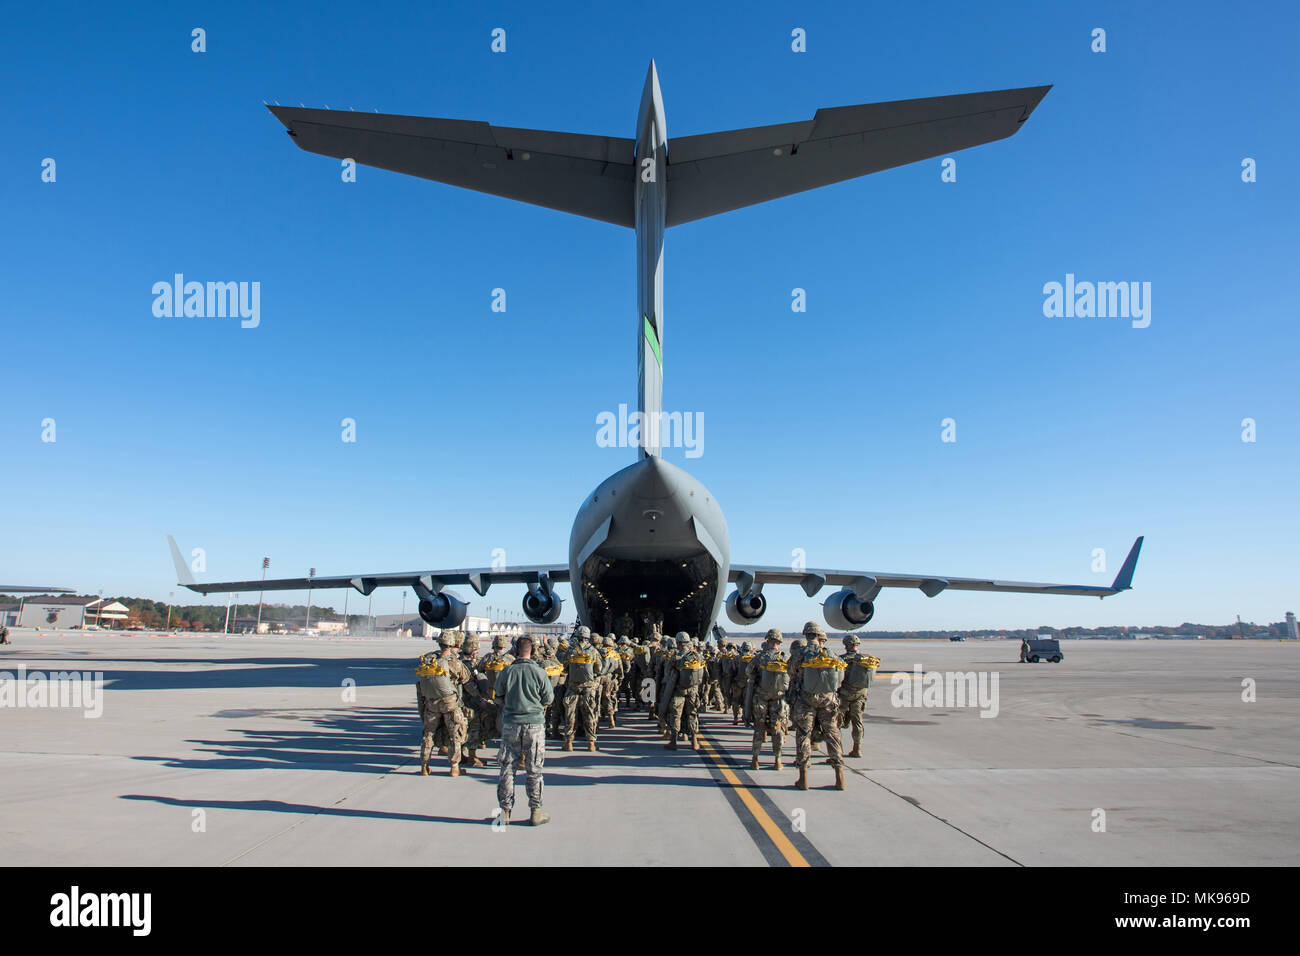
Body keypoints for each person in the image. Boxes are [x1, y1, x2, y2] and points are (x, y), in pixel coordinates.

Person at [495, 635, 555, 826]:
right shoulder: (539, 672)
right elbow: (549, 699)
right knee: (534, 770)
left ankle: (504, 812)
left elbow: (498, 696)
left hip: (511, 724)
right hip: (534, 725)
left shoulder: (507, 671)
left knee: (507, 769)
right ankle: (536, 812)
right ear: (533, 650)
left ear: (515, 650)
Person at [791, 622, 846, 791]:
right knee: (833, 734)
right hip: (828, 700)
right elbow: (840, 677)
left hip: (806, 699)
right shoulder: (830, 653)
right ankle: (839, 777)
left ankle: (804, 778)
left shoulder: (801, 653)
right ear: (820, 635)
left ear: (806, 635)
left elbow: (791, 672)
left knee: (803, 735)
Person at [415, 630, 475, 777]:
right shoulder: (455, 662)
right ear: (453, 644)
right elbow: (467, 682)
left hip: (431, 703)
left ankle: (424, 766)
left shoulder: (428, 659)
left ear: (440, 643)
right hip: (450, 704)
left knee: (428, 734)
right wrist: (479, 697)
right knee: (455, 733)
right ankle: (454, 767)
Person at [745, 629, 789, 770]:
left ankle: (755, 760)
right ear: (779, 642)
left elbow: (748, 671)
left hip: (761, 697)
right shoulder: (785, 658)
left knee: (759, 728)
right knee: (777, 729)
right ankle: (778, 760)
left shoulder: (761, 657)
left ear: (768, 640)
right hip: (779, 699)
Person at [561, 626, 603, 752]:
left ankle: (568, 743)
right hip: (588, 687)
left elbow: (564, 667)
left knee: (570, 715)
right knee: (590, 714)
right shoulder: (593, 651)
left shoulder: (570, 650)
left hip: (573, 686)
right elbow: (599, 669)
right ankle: (591, 743)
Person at [837, 635, 879, 759]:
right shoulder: (866, 660)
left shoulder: (842, 659)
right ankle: (857, 748)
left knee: (837, 723)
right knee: (857, 722)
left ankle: (837, 750)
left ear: (846, 645)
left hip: (844, 696)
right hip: (860, 695)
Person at [663, 631, 706, 750]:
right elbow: (704, 675)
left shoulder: (675, 657)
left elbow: (667, 673)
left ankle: (674, 742)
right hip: (693, 691)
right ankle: (695, 741)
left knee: (676, 715)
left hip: (679, 691)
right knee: (692, 714)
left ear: (678, 643)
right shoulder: (697, 656)